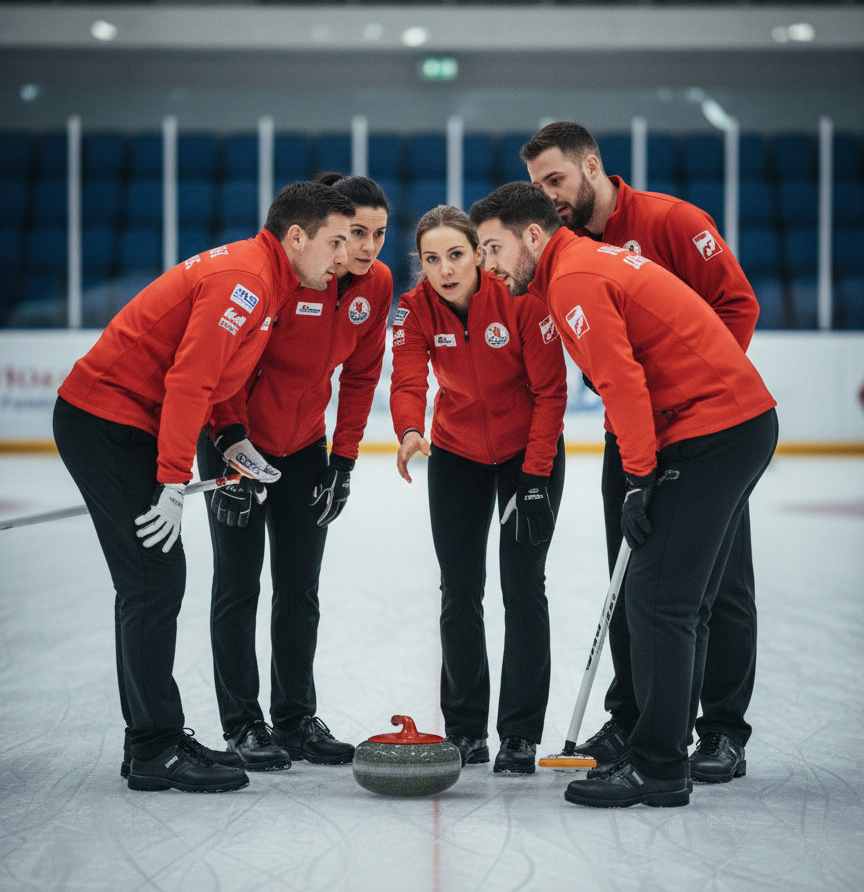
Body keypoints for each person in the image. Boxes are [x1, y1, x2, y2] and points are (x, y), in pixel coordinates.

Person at [472, 182, 777, 808]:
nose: (488, 266)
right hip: (727, 427)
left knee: (659, 601)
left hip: (712, 433)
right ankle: (659, 749)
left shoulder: (574, 279)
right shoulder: (580, 265)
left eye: (493, 248)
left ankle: (660, 768)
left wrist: (638, 478)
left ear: (533, 236)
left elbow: (621, 383)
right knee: (676, 602)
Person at [53, 182, 354, 794]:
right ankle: (153, 747)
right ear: (296, 237)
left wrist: (233, 439)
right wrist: (171, 480)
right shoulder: (245, 281)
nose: (343, 259)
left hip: (128, 423)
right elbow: (189, 380)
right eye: (335, 243)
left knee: (155, 579)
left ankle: (152, 737)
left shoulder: (269, 281)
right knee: (151, 579)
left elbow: (216, 383)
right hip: (107, 422)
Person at [197, 174, 392, 771]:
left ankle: (296, 720)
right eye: (354, 234)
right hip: (236, 441)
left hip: (306, 448)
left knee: (299, 589)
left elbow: (360, 377)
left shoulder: (376, 285)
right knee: (239, 585)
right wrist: (233, 448)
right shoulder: (287, 277)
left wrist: (345, 459)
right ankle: (244, 724)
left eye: (379, 235)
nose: (365, 249)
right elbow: (227, 368)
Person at [390, 205, 567, 774]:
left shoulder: (519, 300)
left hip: (527, 457)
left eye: (456, 255)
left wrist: (536, 476)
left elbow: (551, 394)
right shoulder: (415, 310)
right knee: (459, 591)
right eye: (432, 259)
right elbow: (407, 377)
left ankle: (519, 734)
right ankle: (466, 731)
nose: (445, 269)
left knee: (522, 587)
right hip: (457, 456)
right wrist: (411, 430)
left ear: (479, 253)